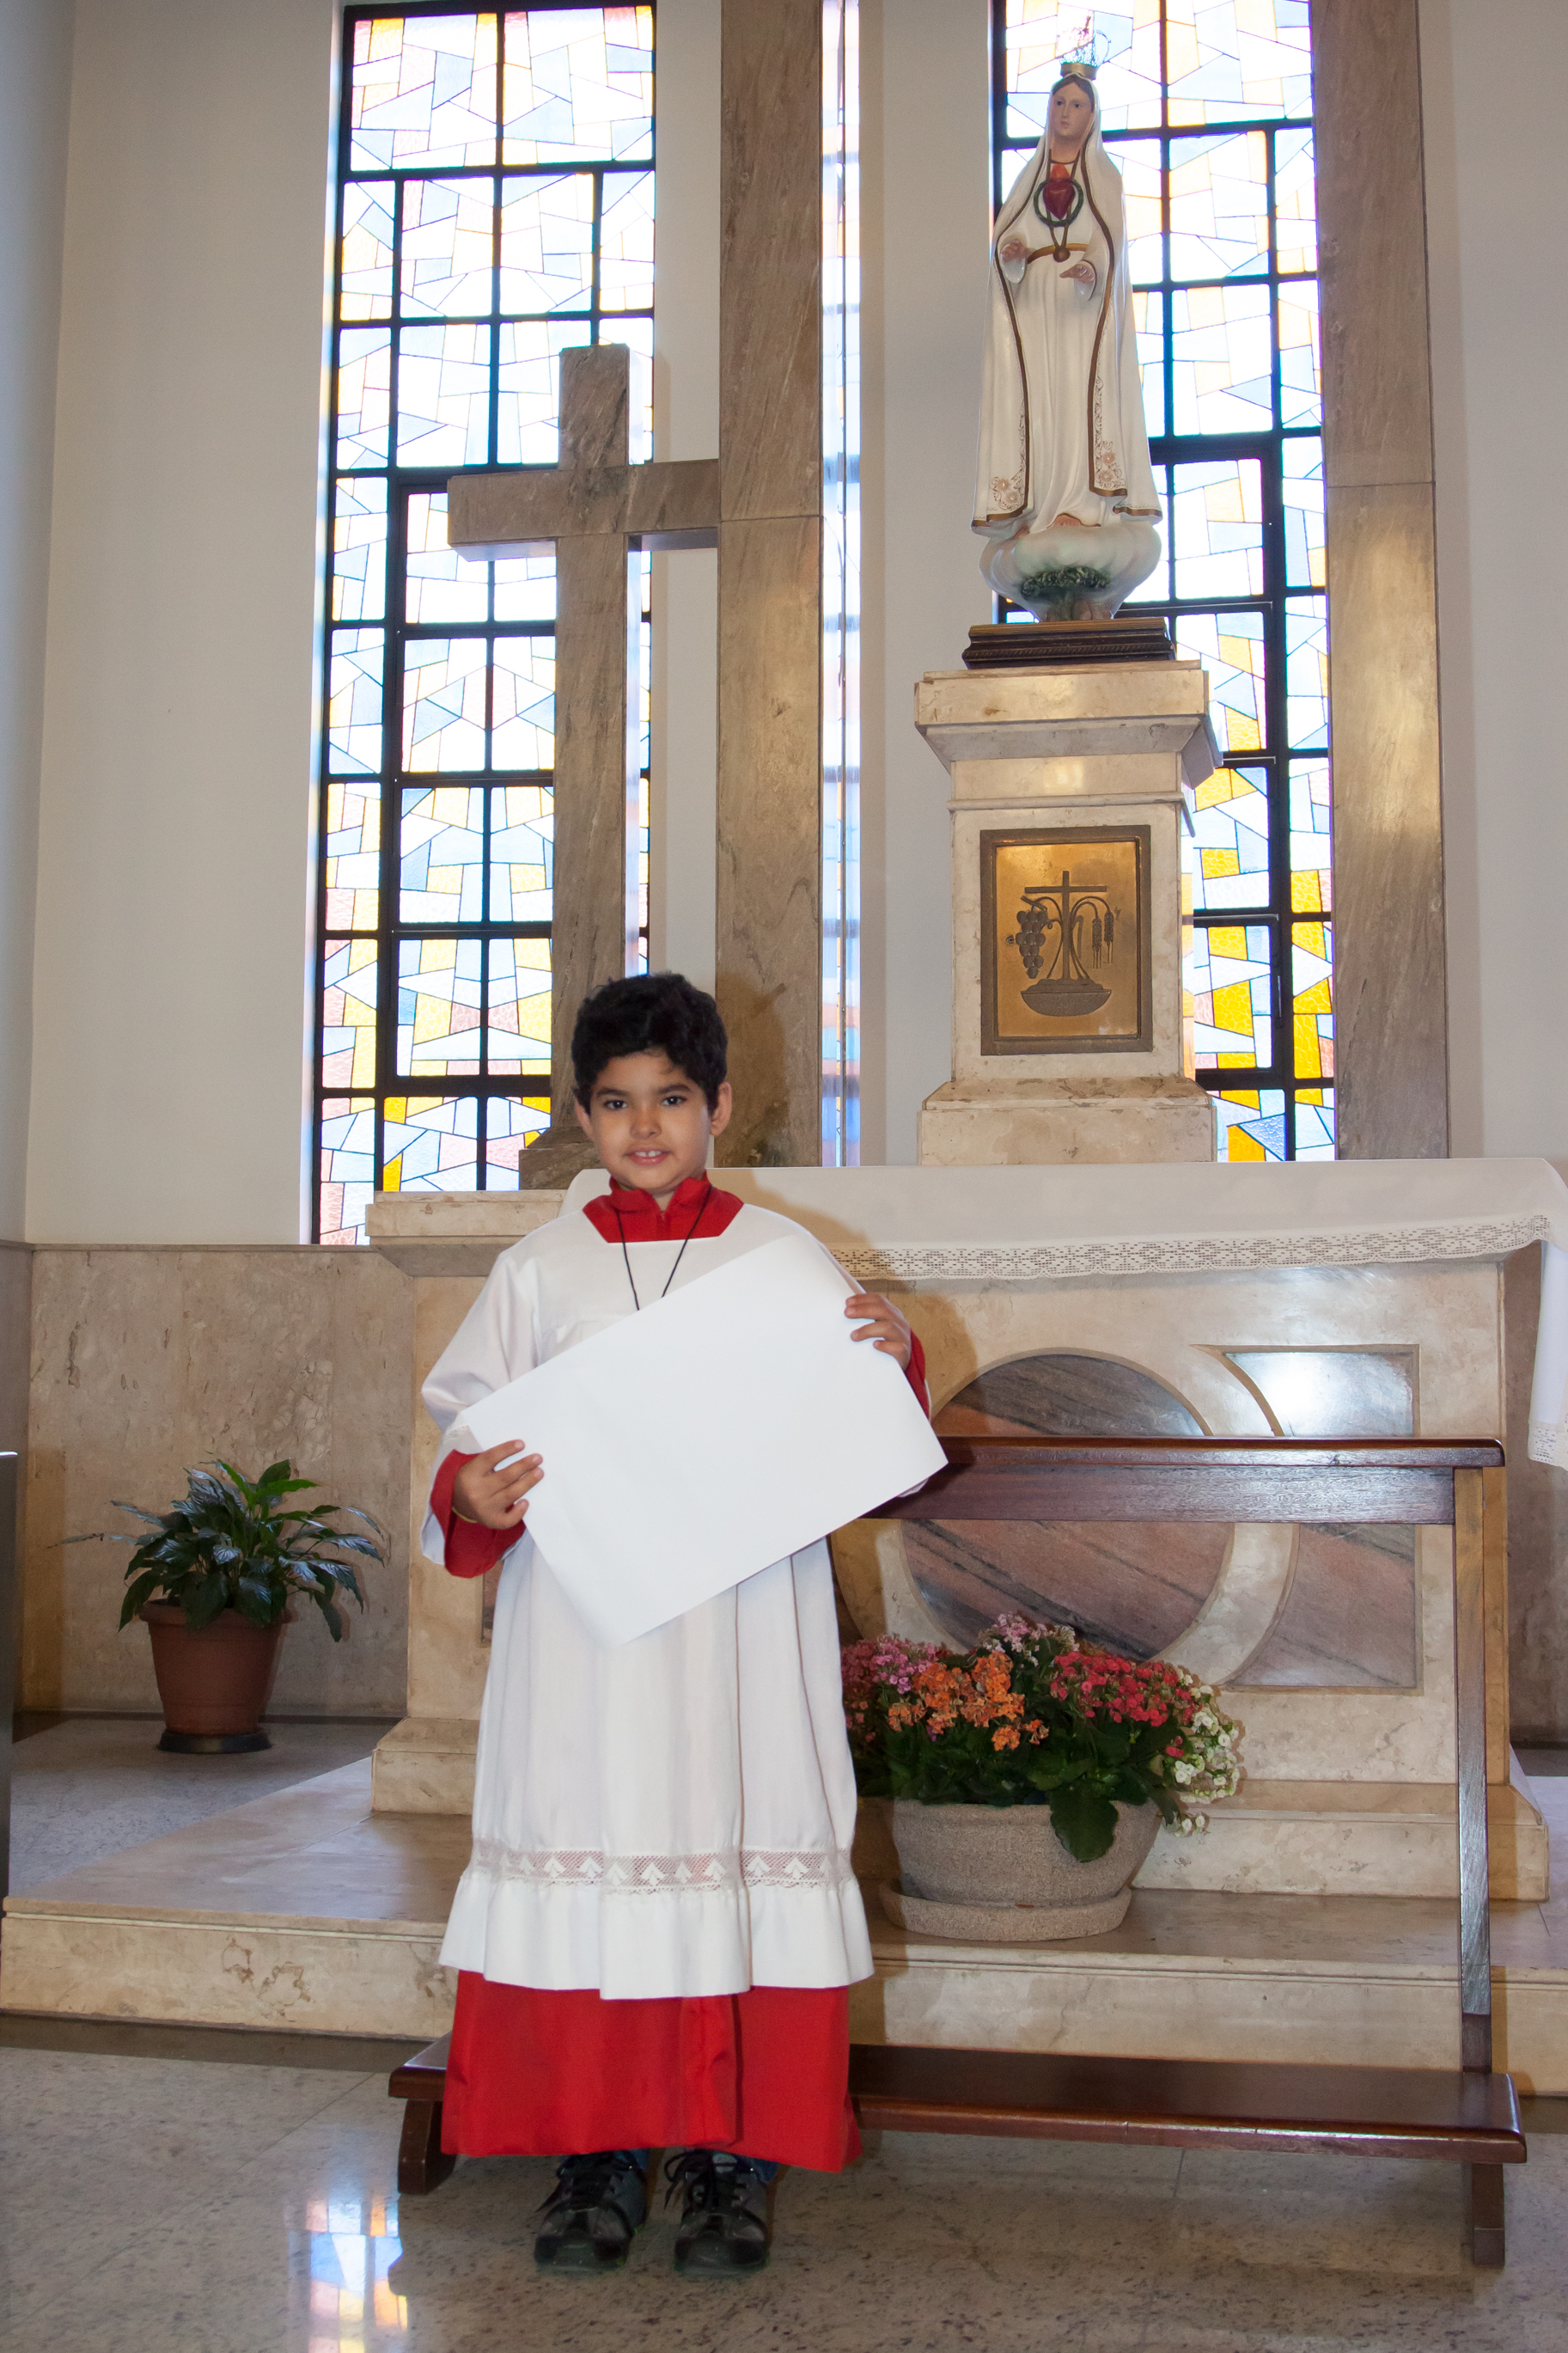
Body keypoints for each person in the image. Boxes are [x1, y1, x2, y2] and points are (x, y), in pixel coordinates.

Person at [421, 972, 930, 2277]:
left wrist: (893, 1357)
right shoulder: (537, 1269)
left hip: (739, 1619)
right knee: (592, 1842)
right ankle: (592, 2147)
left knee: (731, 1832)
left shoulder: (781, 1255)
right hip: (585, 1630)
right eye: (615, 1102)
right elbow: (470, 1434)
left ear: (719, 1106)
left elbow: (861, 1426)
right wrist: (467, 1490)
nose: (644, 1126)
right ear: (582, 1114)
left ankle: (728, 2153)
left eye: (671, 1098)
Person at [973, 63, 1160, 543]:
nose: (1065, 112)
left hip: (1082, 306)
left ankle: (1079, 502)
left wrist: (1092, 269)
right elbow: (1009, 234)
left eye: (1076, 104)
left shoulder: (1104, 176)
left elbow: (1109, 238)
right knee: (1040, 395)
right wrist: (1011, 253)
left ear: (1092, 116)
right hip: (1036, 302)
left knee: (1078, 393)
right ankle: (1039, 502)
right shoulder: (1028, 177)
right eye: (1058, 103)